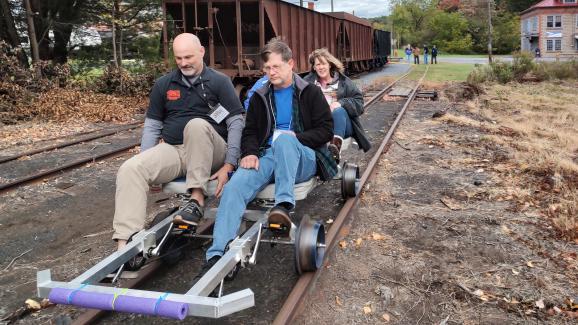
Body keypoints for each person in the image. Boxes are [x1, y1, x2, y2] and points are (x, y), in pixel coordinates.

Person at [197, 38, 337, 276]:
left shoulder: (310, 92)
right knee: (235, 187)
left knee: (284, 141)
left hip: (304, 156)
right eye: (267, 68)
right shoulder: (261, 95)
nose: (271, 72)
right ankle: (218, 255)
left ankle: (282, 206)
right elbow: (250, 131)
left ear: (290, 63)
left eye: (276, 67)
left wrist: (296, 137)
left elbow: (325, 131)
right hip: (268, 155)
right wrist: (250, 152)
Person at [112, 33, 244, 250]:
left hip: (212, 151)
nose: (183, 63)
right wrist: (146, 156)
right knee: (131, 168)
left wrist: (230, 164)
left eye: (188, 57)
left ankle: (197, 199)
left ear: (202, 52)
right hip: (174, 149)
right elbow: (153, 126)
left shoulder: (220, 82)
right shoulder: (164, 84)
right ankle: (126, 244)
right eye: (179, 58)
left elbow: (236, 122)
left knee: (196, 125)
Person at [303, 48, 371, 162]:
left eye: (323, 63)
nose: (321, 67)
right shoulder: (307, 83)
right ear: (314, 67)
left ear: (329, 64)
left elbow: (359, 103)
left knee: (339, 111)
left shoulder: (343, 82)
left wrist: (341, 103)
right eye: (318, 64)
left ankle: (335, 149)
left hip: (342, 124)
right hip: (318, 125)